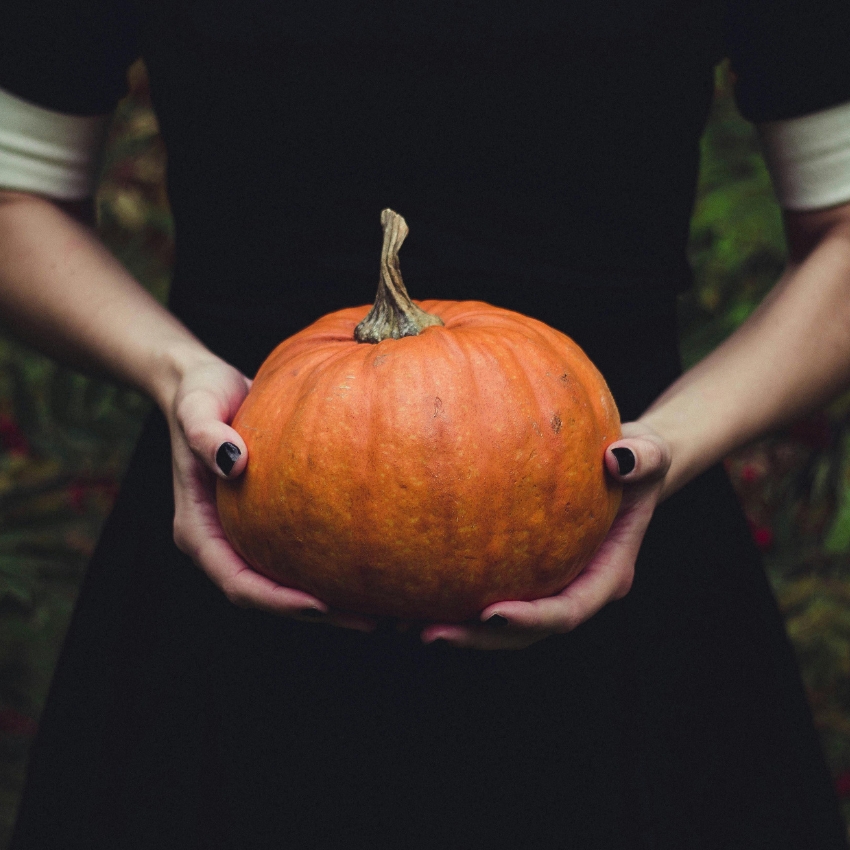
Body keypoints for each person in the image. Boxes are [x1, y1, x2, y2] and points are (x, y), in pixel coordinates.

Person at [1, 0, 850, 846]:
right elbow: (16, 196)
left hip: (619, 520)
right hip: (238, 510)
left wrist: (671, 441)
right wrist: (176, 371)